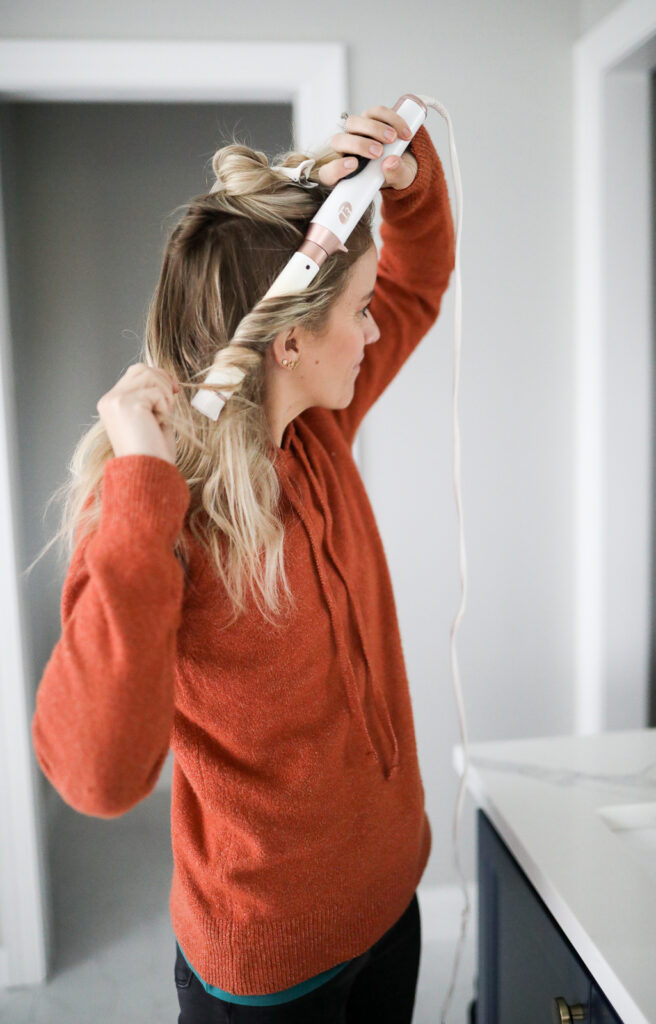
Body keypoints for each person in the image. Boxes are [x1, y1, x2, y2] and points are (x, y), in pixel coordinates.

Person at [30, 103, 456, 1023]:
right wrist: (141, 487)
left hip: (392, 905)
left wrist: (408, 180)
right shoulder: (155, 516)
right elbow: (98, 776)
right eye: (358, 310)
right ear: (291, 341)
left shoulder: (319, 431)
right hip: (266, 973)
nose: (378, 330)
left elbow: (421, 283)